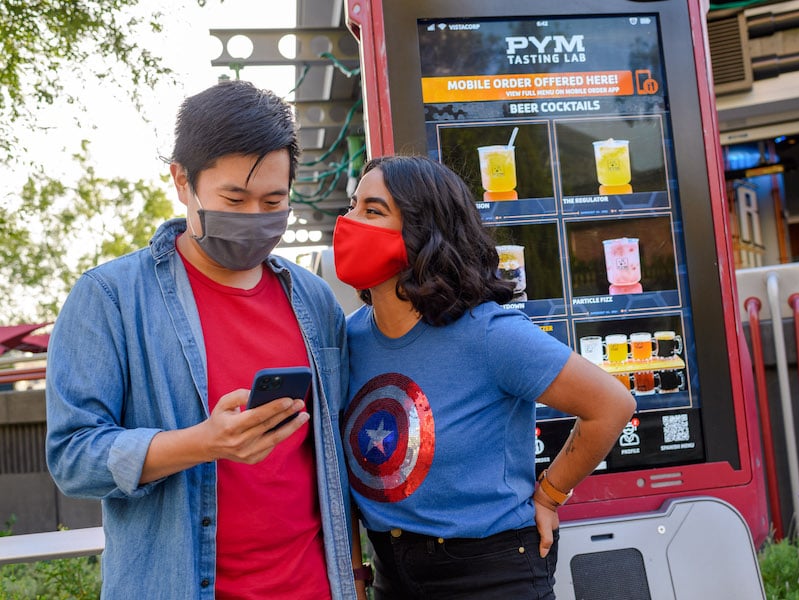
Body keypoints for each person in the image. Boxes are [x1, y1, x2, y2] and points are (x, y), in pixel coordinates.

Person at [45, 80, 360, 599]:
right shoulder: (110, 298)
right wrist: (202, 444)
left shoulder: (314, 299)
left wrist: (356, 572)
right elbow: (73, 459)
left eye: (273, 201)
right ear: (181, 181)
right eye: (234, 198)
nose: (256, 218)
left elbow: (331, 456)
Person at [334, 155, 636, 599]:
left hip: (489, 572)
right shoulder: (351, 336)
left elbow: (612, 404)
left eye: (372, 211)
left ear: (423, 231)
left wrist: (550, 495)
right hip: (392, 571)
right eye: (352, 205)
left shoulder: (489, 334)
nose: (348, 221)